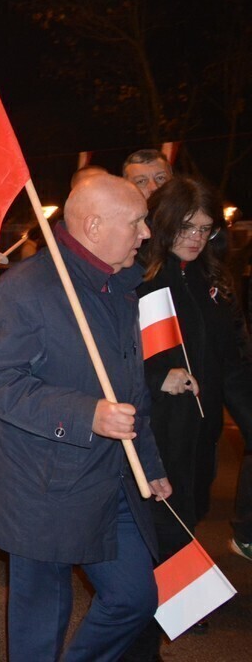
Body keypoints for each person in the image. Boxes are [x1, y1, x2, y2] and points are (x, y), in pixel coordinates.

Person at [0, 174, 171, 661]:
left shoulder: (120, 285)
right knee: (41, 621)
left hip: (112, 476)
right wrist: (86, 415)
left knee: (135, 597)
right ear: (95, 225)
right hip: (41, 484)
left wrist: (151, 460)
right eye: (137, 222)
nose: (146, 234)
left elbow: (130, 388)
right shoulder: (25, 290)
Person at [123, 176, 252, 659]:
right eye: (187, 227)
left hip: (201, 432)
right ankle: (145, 631)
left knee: (188, 516)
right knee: (160, 524)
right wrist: (158, 376)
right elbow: (110, 352)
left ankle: (168, 606)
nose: (196, 238)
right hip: (153, 431)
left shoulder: (216, 284)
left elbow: (236, 363)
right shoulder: (136, 276)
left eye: (206, 229)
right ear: (163, 224)